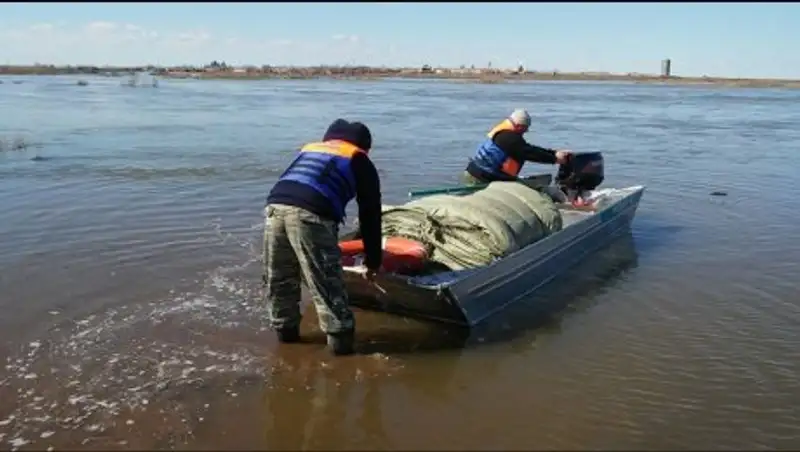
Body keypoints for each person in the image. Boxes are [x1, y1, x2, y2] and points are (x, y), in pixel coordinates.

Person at [263, 119, 382, 356]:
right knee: (328, 287)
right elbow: (370, 215)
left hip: (274, 208)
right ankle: (342, 356)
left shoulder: (310, 151)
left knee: (280, 281)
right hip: (311, 214)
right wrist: (373, 262)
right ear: (364, 146)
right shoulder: (358, 159)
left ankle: (286, 345)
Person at [463, 109, 573, 185]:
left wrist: (554, 153)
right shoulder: (508, 138)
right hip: (481, 178)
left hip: (478, 174)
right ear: (519, 126)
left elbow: (528, 149)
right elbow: (529, 153)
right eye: (525, 128)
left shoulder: (504, 133)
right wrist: (554, 158)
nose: (526, 131)